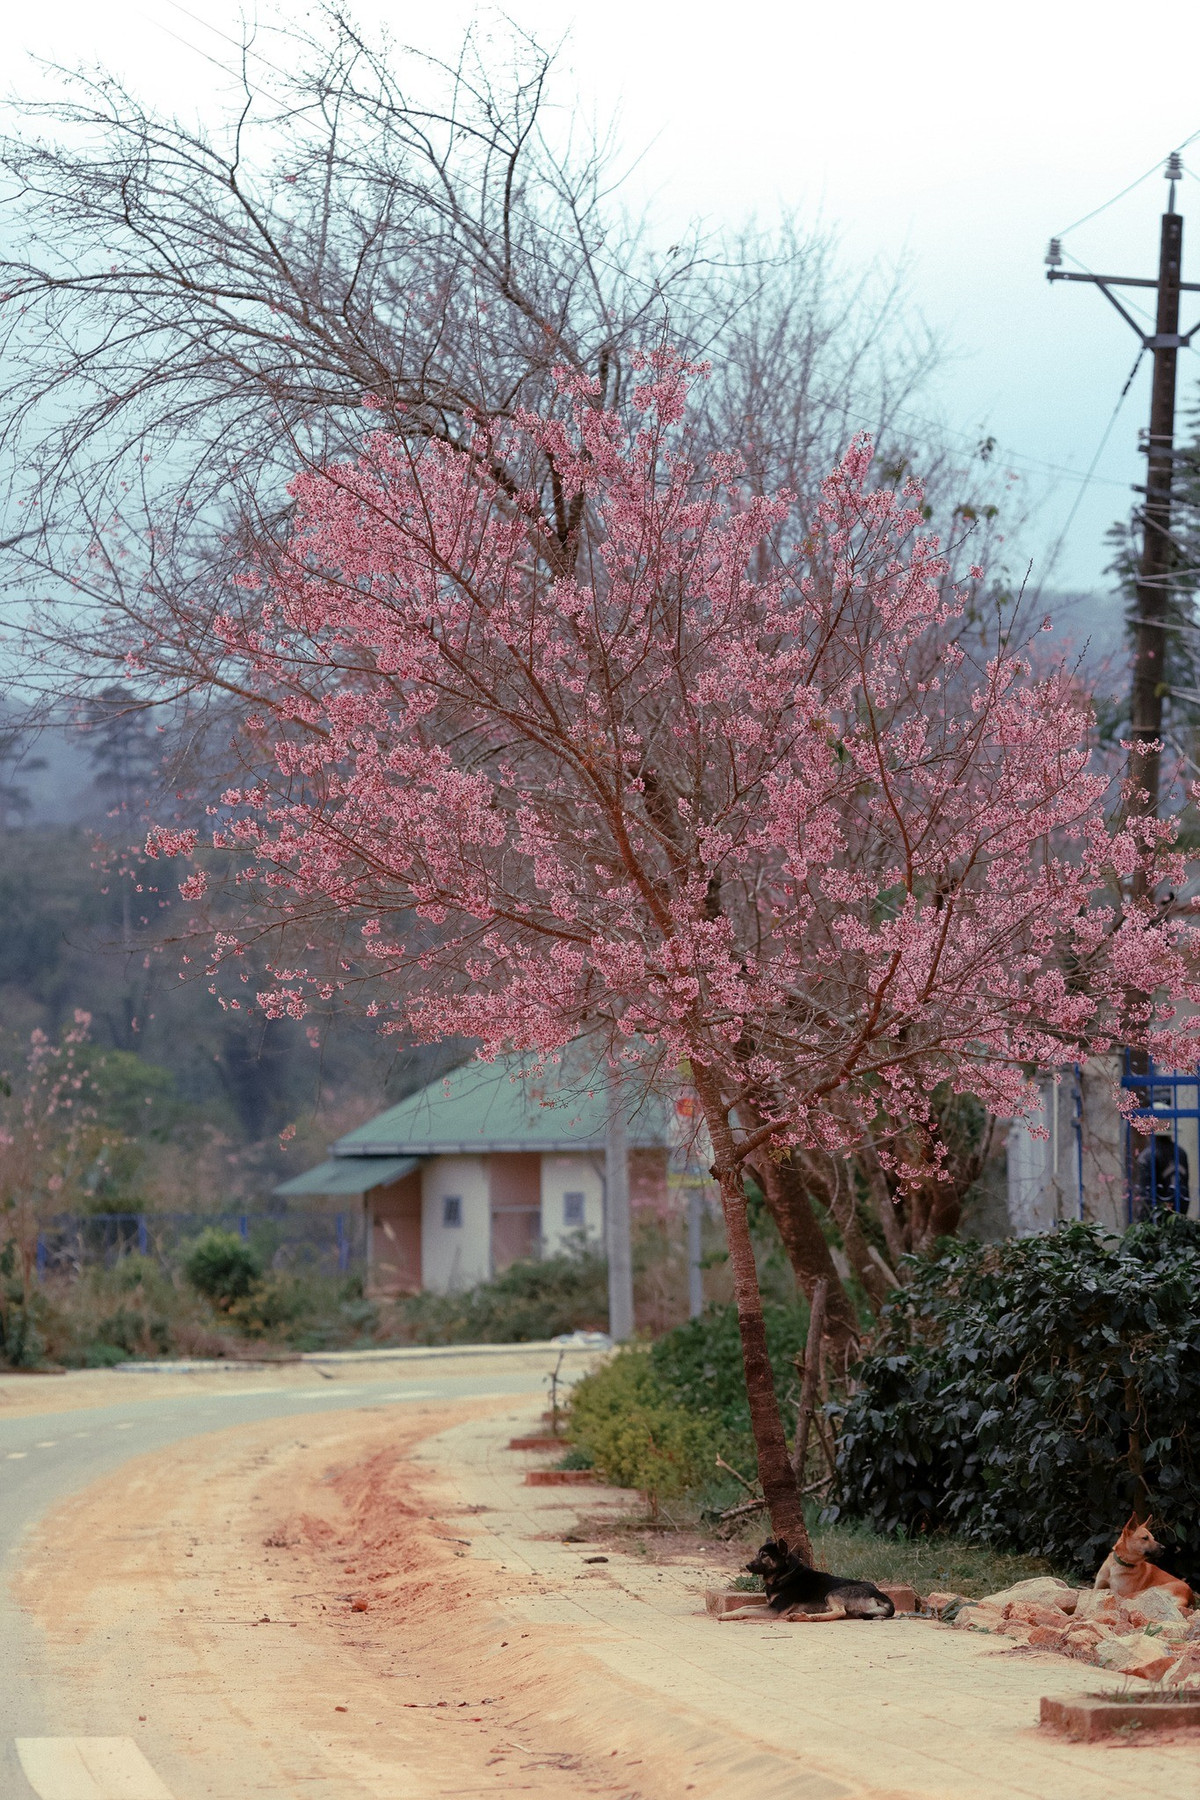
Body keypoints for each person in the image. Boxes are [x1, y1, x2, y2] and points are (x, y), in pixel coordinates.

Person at [1133, 1133, 1190, 1218]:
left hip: (1156, 1212)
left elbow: (1144, 1191)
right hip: (1179, 1208)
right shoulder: (1180, 1152)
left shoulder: (1148, 1155)